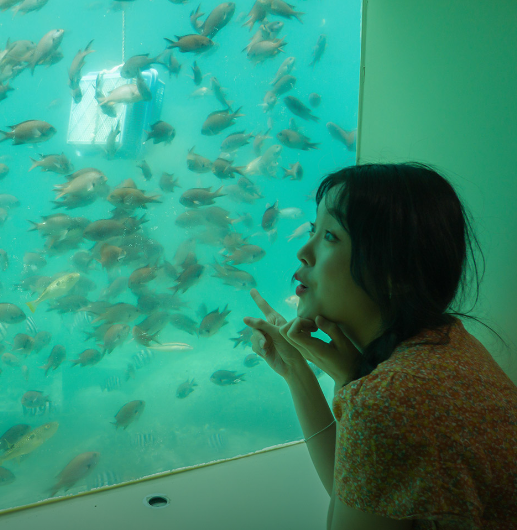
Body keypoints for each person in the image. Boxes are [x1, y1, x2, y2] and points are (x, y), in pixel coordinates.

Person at [244, 162, 517, 529]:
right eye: (313, 230)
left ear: (395, 272)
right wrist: (306, 371)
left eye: (330, 236)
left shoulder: (391, 398)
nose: (303, 252)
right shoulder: (450, 344)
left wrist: (355, 387)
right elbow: (359, 493)